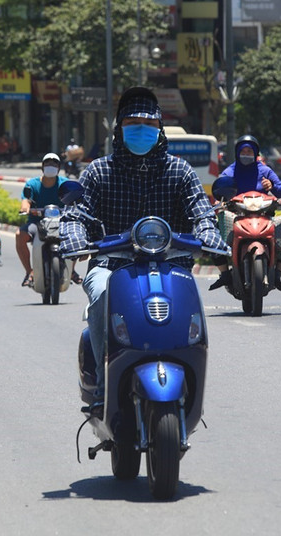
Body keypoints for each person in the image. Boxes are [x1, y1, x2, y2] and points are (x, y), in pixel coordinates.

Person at [59, 87, 228, 393]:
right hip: (112, 262)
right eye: (132, 123)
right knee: (99, 294)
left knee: (189, 308)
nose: (141, 130)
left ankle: (191, 381)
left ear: (159, 129)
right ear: (119, 128)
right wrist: (73, 237)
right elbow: (76, 214)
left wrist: (209, 235)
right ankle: (103, 383)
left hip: (172, 262)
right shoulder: (98, 171)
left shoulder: (181, 171)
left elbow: (202, 212)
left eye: (149, 124)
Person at [209, 134, 281, 292]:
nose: (246, 154)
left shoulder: (265, 171)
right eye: (243, 151)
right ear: (237, 152)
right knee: (212, 232)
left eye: (249, 152)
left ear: (255, 153)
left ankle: (277, 273)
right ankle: (224, 273)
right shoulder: (230, 171)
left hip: (264, 216)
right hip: (236, 216)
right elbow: (220, 187)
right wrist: (220, 199)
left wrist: (271, 185)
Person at [18, 153, 78, 286]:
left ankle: (72, 270)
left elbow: (75, 200)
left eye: (54, 164)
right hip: (37, 223)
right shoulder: (32, 184)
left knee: (76, 236)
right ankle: (30, 272)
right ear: (42, 167)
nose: (51, 166)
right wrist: (25, 207)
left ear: (59, 167)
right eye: (48, 164)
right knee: (20, 235)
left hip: (62, 223)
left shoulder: (65, 184)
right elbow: (26, 200)